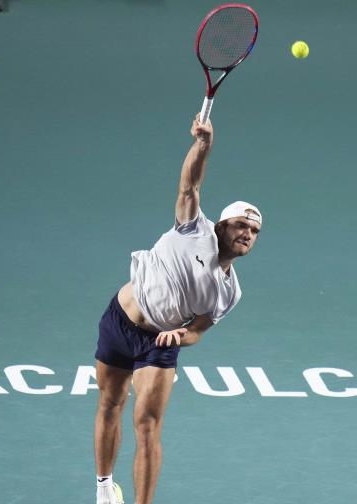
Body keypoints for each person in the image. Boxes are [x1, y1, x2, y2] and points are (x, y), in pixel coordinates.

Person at [92, 114, 262, 504]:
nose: (247, 234)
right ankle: (104, 488)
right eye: (240, 225)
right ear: (220, 225)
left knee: (147, 425)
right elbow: (190, 185)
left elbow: (200, 328)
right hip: (120, 319)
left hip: (160, 343)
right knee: (109, 404)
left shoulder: (229, 292)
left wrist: (181, 336)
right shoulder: (193, 228)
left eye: (253, 232)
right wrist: (202, 145)